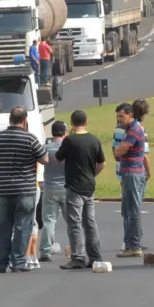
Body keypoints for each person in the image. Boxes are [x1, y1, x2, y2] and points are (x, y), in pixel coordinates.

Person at [0, 106, 48, 273]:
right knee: (23, 226)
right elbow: (45, 159)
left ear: (10, 119)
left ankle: (0, 263)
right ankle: (18, 262)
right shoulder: (30, 138)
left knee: (3, 227)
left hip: (5, 190)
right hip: (25, 189)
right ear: (24, 120)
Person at [56, 110, 106, 269]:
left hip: (74, 186)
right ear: (86, 123)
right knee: (90, 222)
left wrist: (66, 138)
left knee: (75, 222)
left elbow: (58, 159)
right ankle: (95, 255)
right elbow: (102, 163)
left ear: (72, 123)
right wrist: (92, 175)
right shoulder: (94, 140)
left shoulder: (70, 141)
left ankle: (78, 257)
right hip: (89, 186)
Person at [114, 98, 151, 258]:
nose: (119, 119)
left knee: (133, 211)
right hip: (128, 172)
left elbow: (119, 151)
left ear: (130, 115)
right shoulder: (129, 129)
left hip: (133, 173)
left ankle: (134, 245)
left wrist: (118, 151)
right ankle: (130, 244)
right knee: (127, 210)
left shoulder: (134, 130)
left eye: (121, 116)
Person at [39, 120, 69, 262]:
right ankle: (76, 248)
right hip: (66, 187)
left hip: (50, 187)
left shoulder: (46, 148)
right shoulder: (69, 148)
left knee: (49, 220)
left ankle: (45, 250)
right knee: (72, 221)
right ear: (64, 132)